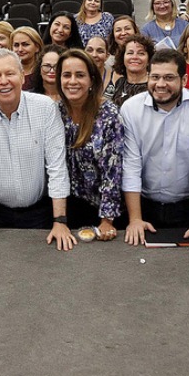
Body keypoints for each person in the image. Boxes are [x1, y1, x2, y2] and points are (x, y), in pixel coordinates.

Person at [0, 49, 76, 253]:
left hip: (40, 213)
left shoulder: (45, 108)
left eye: (10, 74)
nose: (4, 81)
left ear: (22, 76)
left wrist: (60, 221)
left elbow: (57, 167)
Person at [121, 50, 189, 250]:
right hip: (143, 204)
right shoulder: (130, 108)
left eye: (169, 78)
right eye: (155, 77)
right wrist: (135, 219)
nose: (160, 84)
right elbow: (130, 165)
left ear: (183, 79)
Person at [57, 49, 124, 238]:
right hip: (66, 205)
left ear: (92, 80)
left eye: (80, 75)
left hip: (103, 208)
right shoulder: (56, 112)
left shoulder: (109, 115)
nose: (72, 81)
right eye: (66, 75)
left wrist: (106, 220)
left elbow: (113, 172)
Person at [112, 34, 155, 107]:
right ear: (123, 58)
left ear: (149, 60)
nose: (135, 57)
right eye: (130, 53)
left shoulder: (154, 85)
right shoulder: (120, 82)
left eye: (141, 53)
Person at [12, 26, 44, 90]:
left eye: (25, 44)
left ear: (37, 47)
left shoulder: (43, 71)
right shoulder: (8, 70)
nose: (20, 49)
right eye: (16, 45)